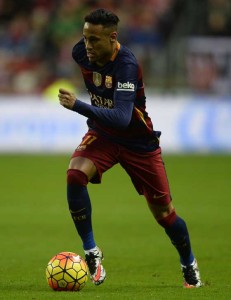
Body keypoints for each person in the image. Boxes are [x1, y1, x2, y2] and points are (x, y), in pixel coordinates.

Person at [58, 8, 202, 288]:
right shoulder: (81, 52)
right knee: (75, 174)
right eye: (85, 38)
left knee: (165, 215)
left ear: (113, 38)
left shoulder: (126, 65)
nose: (87, 46)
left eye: (95, 40)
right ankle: (91, 252)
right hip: (103, 135)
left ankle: (189, 264)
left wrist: (78, 106)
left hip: (138, 143)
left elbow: (123, 119)